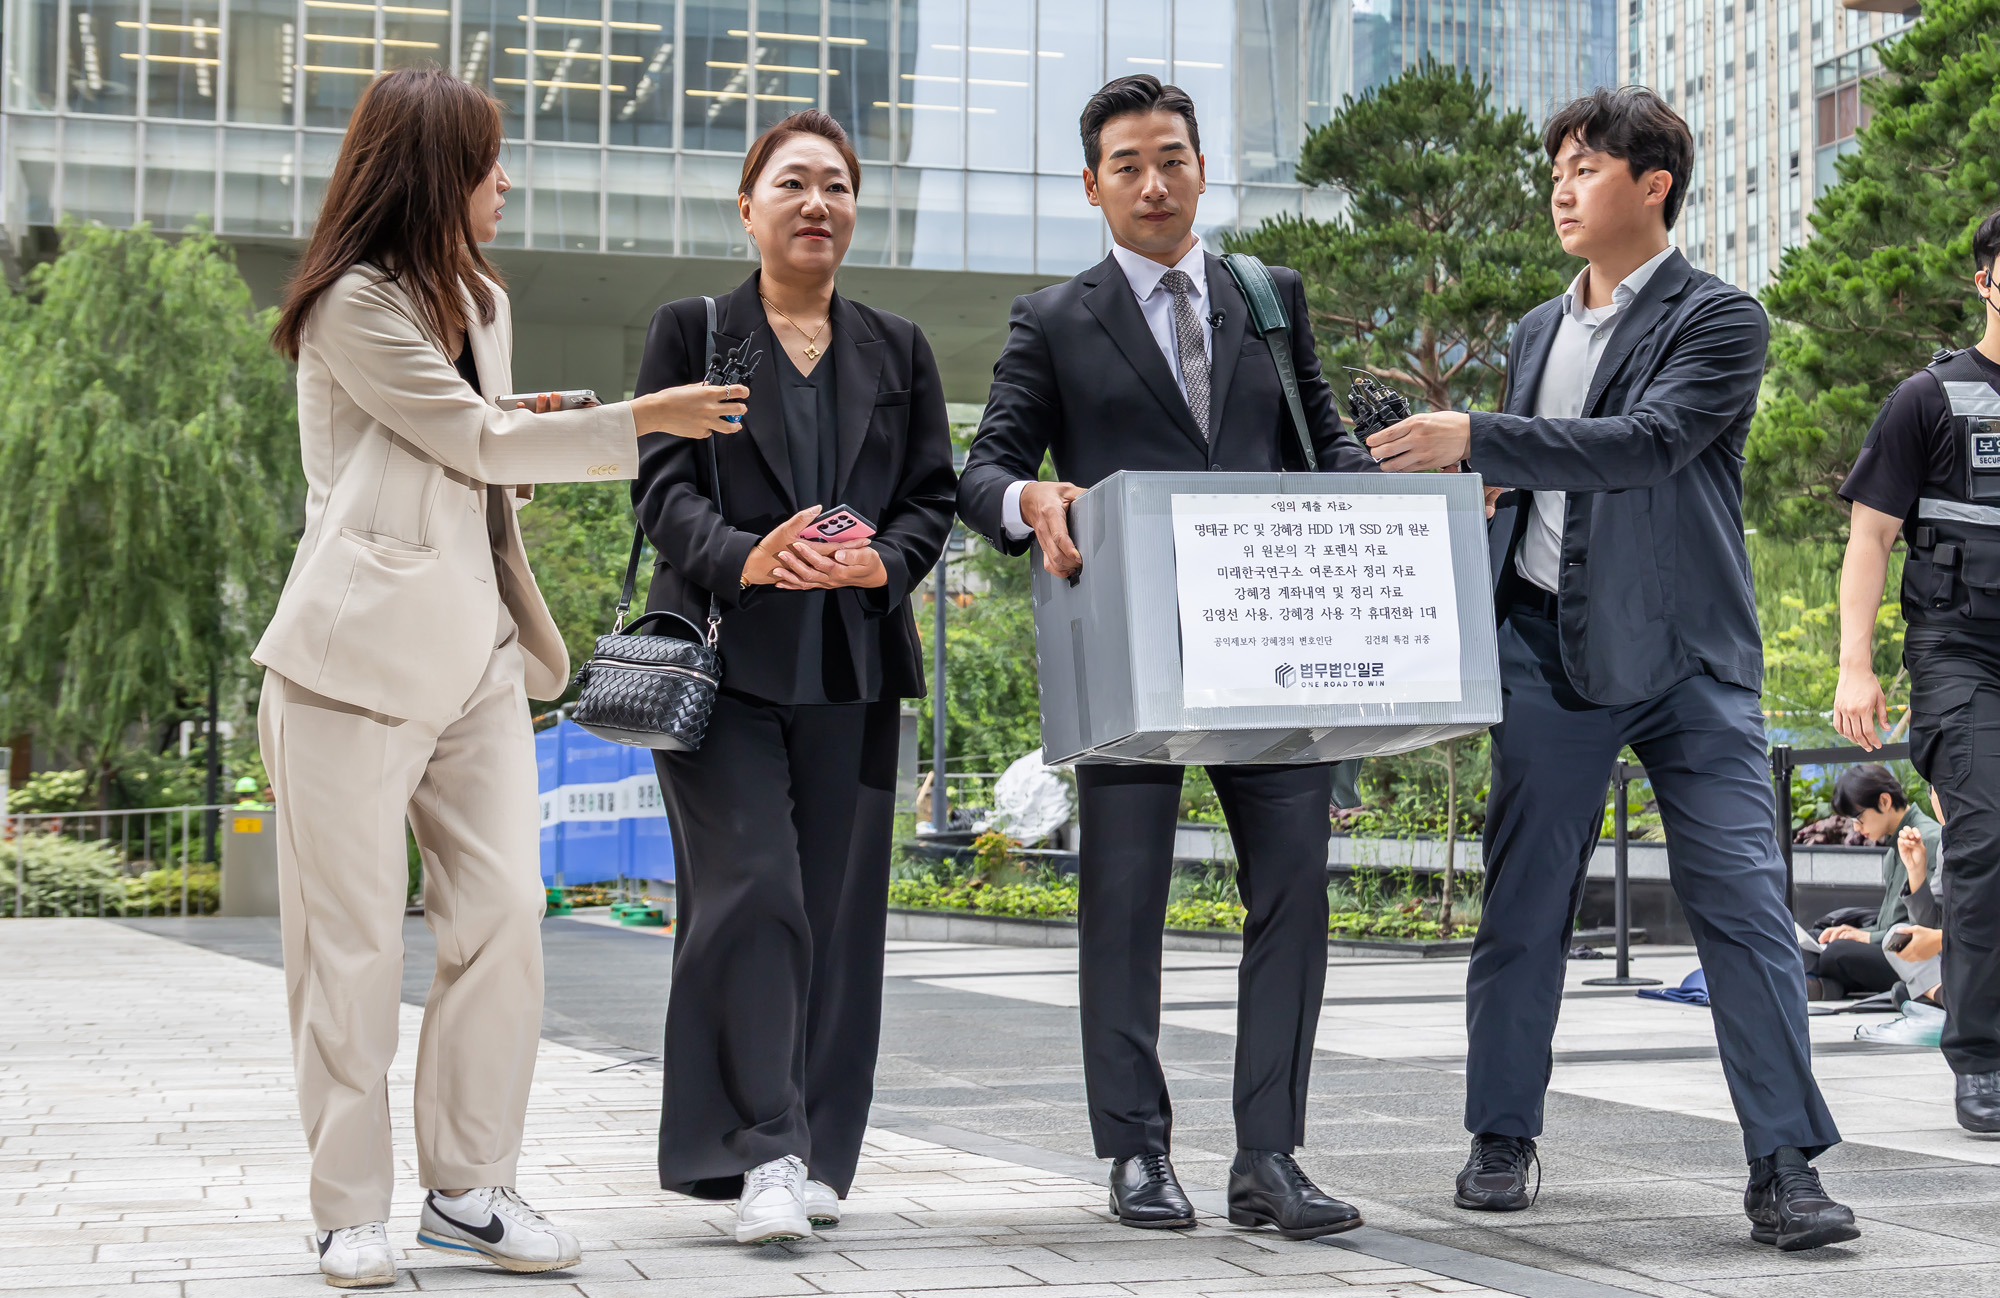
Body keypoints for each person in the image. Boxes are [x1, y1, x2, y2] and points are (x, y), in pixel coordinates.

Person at [254, 66, 741, 1289]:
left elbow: (465, 445)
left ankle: (467, 1189)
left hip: (475, 652)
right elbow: (466, 435)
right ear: (431, 172)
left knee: (504, 918)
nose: (506, 181)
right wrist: (644, 418)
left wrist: (515, 433)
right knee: (351, 945)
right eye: (488, 162)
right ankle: (345, 1206)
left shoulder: (478, 294)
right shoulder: (352, 304)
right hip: (349, 665)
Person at [1363, 87, 1855, 1250]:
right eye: (1555, 170)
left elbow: (1645, 445)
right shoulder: (1536, 329)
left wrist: (1479, 434)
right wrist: (1474, 476)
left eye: (1585, 167)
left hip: (1686, 660)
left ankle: (1783, 1165)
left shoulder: (1719, 318)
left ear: (1652, 185)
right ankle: (1498, 1132)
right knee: (1522, 905)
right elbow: (1537, 471)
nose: (1560, 187)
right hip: (1542, 647)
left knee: (1738, 904)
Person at [959, 75, 1377, 1241]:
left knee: (1292, 894)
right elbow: (981, 469)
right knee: (1124, 896)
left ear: (1201, 170)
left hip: (1271, 645)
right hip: (1131, 652)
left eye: (1174, 159)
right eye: (1129, 164)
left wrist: (1401, 505)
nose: (1155, 182)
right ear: (1091, 185)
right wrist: (1028, 496)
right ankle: (1136, 1150)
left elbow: (1323, 442)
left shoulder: (1266, 296)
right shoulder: (1053, 317)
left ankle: (1269, 1157)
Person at [631, 110, 956, 1246]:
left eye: (835, 186)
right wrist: (743, 553)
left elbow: (930, 495)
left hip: (852, 661)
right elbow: (661, 490)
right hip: (721, 661)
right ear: (747, 206)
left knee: (837, 915)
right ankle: (759, 1147)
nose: (816, 202)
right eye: (792, 183)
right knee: (754, 893)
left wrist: (886, 558)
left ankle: (814, 1147)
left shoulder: (896, 347)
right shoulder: (696, 330)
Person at [1831, 207, 2000, 1133]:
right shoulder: (1927, 401)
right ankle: (1979, 1059)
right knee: (1986, 840)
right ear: (1985, 282)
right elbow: (1870, 537)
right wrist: (1855, 666)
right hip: (1962, 655)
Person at [1805, 765, 1941, 999]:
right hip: (1892, 943)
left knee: (1836, 953)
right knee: (1819, 938)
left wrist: (1866, 937)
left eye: (1858, 818)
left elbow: (1924, 924)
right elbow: (1886, 924)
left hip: (1915, 951)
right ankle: (1826, 986)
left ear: (1885, 801)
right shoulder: (1893, 850)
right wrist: (1856, 932)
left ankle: (1822, 985)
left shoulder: (1926, 838)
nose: (1857, 828)